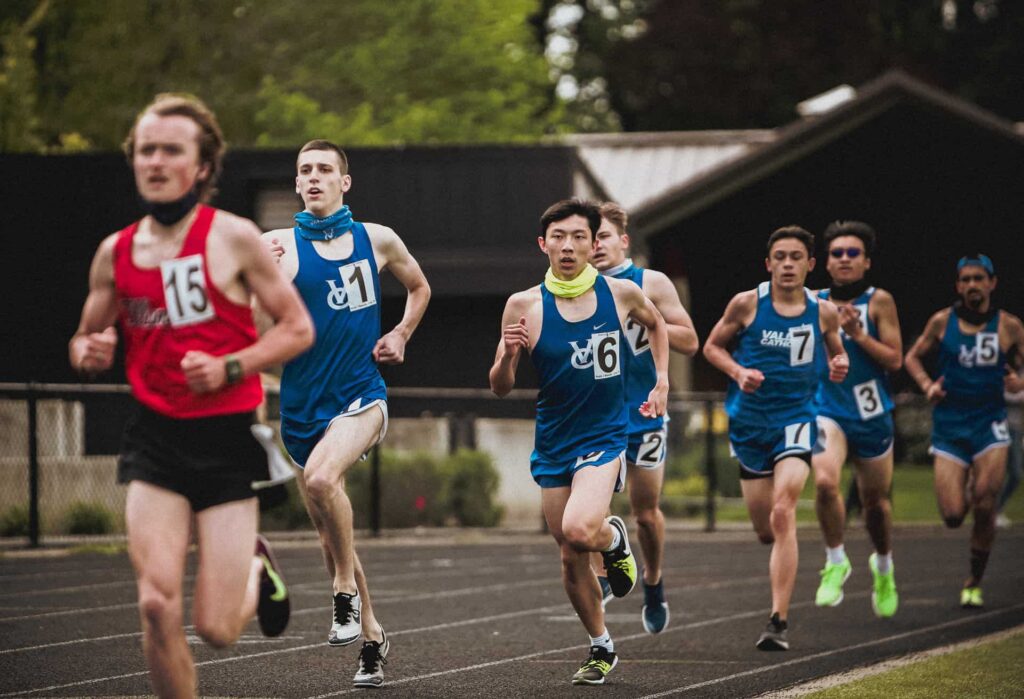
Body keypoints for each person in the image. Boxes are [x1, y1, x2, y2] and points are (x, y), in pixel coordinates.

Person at [68, 94, 314, 698]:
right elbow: (84, 338)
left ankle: (257, 571)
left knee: (218, 629)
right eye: (145, 150)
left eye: (171, 151)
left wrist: (233, 365)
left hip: (227, 442)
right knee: (155, 604)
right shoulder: (115, 252)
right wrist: (90, 352)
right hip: (155, 439)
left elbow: (296, 328)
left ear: (202, 167)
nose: (155, 161)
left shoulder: (233, 238)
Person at [262, 139, 430, 688]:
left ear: (344, 182)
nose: (313, 178)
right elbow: (248, 317)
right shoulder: (278, 246)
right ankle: (374, 637)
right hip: (302, 406)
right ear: (296, 184)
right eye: (304, 171)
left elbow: (419, 285)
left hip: (363, 395)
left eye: (324, 170)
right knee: (332, 525)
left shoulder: (375, 239)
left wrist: (401, 333)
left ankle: (341, 591)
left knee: (321, 477)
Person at [489, 199, 669, 685]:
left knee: (580, 528)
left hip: (605, 434)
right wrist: (508, 356)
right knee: (569, 553)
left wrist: (662, 381)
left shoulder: (622, 293)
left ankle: (613, 538)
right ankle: (600, 645)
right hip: (553, 439)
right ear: (543, 244)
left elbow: (657, 326)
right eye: (559, 237)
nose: (568, 246)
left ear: (594, 243)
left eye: (579, 237)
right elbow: (501, 386)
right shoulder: (523, 304)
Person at [703, 226, 848, 651]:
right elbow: (712, 347)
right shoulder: (747, 304)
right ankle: (778, 602)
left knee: (784, 511)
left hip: (797, 419)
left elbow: (836, 352)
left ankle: (777, 621)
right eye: (780, 257)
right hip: (749, 424)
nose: (788, 264)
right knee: (766, 528)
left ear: (810, 264)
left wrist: (838, 365)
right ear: (769, 264)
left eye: (796, 257)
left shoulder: (823, 312)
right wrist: (738, 373)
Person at [588, 202, 699, 634]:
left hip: (645, 412)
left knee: (646, 512)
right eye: (587, 238)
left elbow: (690, 339)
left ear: (623, 240)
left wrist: (645, 320)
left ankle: (653, 581)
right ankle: (607, 571)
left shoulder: (649, 282)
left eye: (602, 237)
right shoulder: (579, 287)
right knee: (592, 509)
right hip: (599, 415)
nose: (594, 246)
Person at [904, 254, 1024, 608]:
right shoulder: (942, 322)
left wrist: (1018, 381)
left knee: (985, 504)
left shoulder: (1009, 326)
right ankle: (968, 484)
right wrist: (927, 384)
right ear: (958, 285)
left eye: (979, 278)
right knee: (954, 515)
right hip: (950, 427)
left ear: (992, 283)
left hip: (990, 424)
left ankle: (973, 581)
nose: (972, 285)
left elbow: (1019, 369)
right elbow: (912, 357)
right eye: (966, 279)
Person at [810, 221, 901, 618]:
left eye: (852, 253)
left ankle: (883, 567)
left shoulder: (880, 301)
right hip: (827, 408)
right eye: (837, 253)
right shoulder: (813, 301)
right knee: (826, 481)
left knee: (875, 505)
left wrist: (859, 335)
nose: (844, 259)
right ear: (826, 263)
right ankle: (835, 560)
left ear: (866, 262)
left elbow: (895, 360)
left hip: (870, 411)